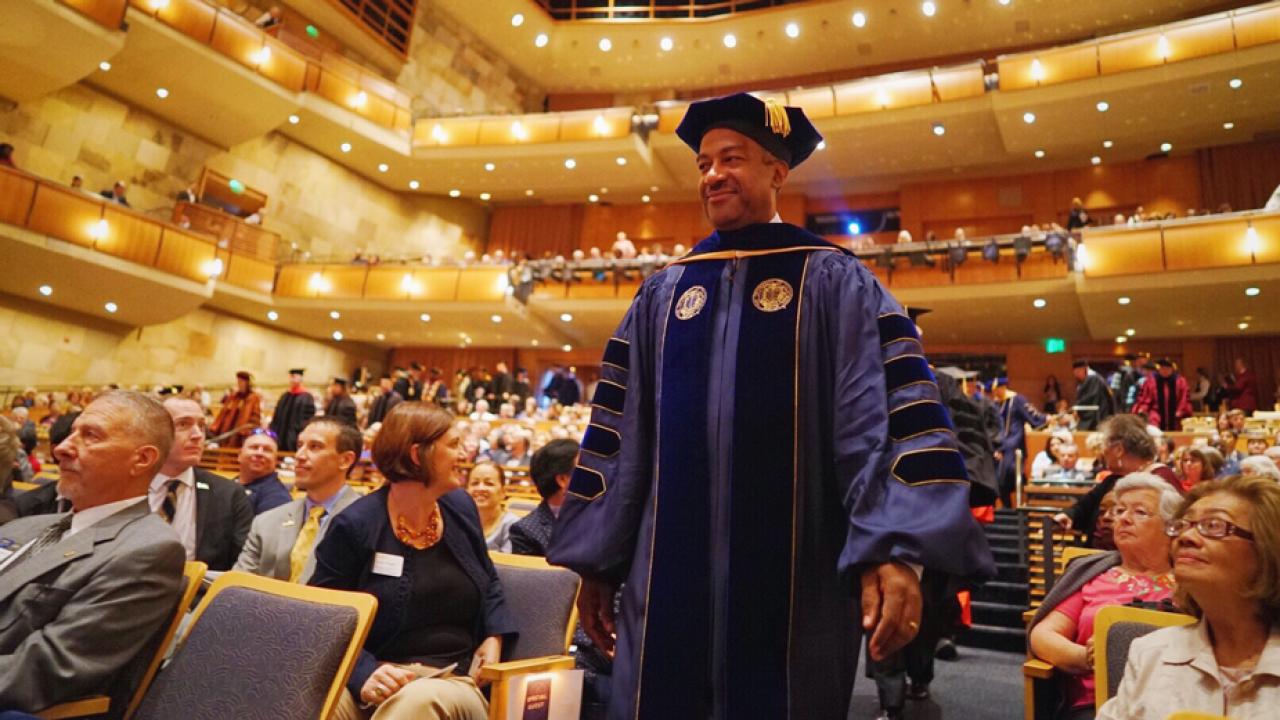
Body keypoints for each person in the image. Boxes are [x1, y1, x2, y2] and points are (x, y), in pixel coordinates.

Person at [545, 93, 994, 720]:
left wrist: (895, 547)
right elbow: (619, 432)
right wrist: (600, 561)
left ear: (778, 171)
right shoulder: (664, 292)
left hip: (797, 583)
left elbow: (887, 418)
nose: (713, 175)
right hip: (664, 584)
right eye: (704, 163)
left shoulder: (834, 281)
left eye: (732, 158)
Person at [311, 403, 517, 720]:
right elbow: (325, 618)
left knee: (415, 704)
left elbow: (488, 580)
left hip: (449, 681)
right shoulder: (355, 525)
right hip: (376, 676)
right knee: (313, 701)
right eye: (453, 445)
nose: (464, 455)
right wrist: (363, 672)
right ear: (418, 455)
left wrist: (494, 636)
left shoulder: (460, 507)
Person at [0, 391, 184, 712]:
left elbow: (48, 668)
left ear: (141, 459)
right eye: (72, 432)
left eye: (90, 436)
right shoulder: (23, 526)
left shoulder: (148, 550)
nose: (61, 447)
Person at [1097, 475, 1280, 719]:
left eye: (1213, 525)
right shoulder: (1149, 652)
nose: (1186, 537)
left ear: (1267, 548)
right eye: (1182, 525)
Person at [1029, 474, 1181, 720]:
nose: (1123, 518)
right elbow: (1043, 635)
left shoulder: (1193, 582)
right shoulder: (1092, 574)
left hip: (1175, 703)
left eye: (1140, 512)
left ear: (1171, 527)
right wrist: (1087, 658)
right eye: (1120, 510)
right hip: (1097, 704)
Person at [233, 418, 360, 582]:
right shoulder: (266, 522)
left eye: (315, 447)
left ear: (345, 460)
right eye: (300, 446)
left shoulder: (369, 521)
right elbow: (237, 586)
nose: (299, 456)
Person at [152, 396, 253, 570]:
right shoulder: (123, 487)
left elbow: (240, 569)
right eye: (183, 424)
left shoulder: (229, 495)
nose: (198, 435)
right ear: (154, 433)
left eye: (201, 426)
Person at [1053, 414, 1180, 542]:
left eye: (1105, 445)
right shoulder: (1113, 479)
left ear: (1119, 449)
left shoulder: (1162, 479)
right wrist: (1068, 515)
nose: (1103, 451)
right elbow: (1083, 507)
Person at [993, 379, 1048, 506]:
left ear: (1003, 387)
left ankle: (1021, 509)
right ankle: (1008, 511)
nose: (995, 393)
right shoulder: (996, 404)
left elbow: (1034, 417)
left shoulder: (1017, 400)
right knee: (999, 482)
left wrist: (1046, 418)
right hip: (1000, 446)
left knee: (1012, 475)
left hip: (1014, 446)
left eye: (997, 389)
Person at [464, 461, 518, 553]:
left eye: (489, 483)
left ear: (503, 492)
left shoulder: (514, 527)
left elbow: (506, 566)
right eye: (475, 483)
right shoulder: (459, 522)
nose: (480, 488)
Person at [235, 429, 291, 515]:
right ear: (239, 455)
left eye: (267, 450)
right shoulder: (229, 485)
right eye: (254, 447)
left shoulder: (277, 498)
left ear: (275, 460)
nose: (259, 453)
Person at [1130, 358, 1192, 432]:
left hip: (1176, 416)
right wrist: (1142, 409)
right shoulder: (1151, 381)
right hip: (1156, 415)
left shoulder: (1180, 381)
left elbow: (1184, 398)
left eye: (1167, 368)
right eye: (1162, 368)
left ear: (1172, 369)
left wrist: (1181, 410)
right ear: (1159, 369)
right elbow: (1145, 398)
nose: (1165, 371)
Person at [210, 370, 262, 448]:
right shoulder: (233, 396)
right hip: (228, 430)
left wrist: (249, 430)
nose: (239, 384)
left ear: (247, 383)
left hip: (241, 434)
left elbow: (256, 416)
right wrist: (216, 426)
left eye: (241, 382)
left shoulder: (253, 398)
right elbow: (223, 412)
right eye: (238, 382)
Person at [270, 368, 316, 452]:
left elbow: (306, 420)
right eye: (291, 377)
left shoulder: (307, 397)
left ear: (301, 378)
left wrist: (295, 435)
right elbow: (277, 416)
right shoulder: (285, 395)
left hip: (293, 438)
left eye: (295, 377)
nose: (292, 379)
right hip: (280, 436)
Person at [1073, 359, 1116, 431]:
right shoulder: (1094, 378)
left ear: (1084, 369)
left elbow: (1090, 398)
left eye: (1077, 372)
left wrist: (1077, 407)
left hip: (1098, 416)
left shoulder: (1093, 378)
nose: (1077, 375)